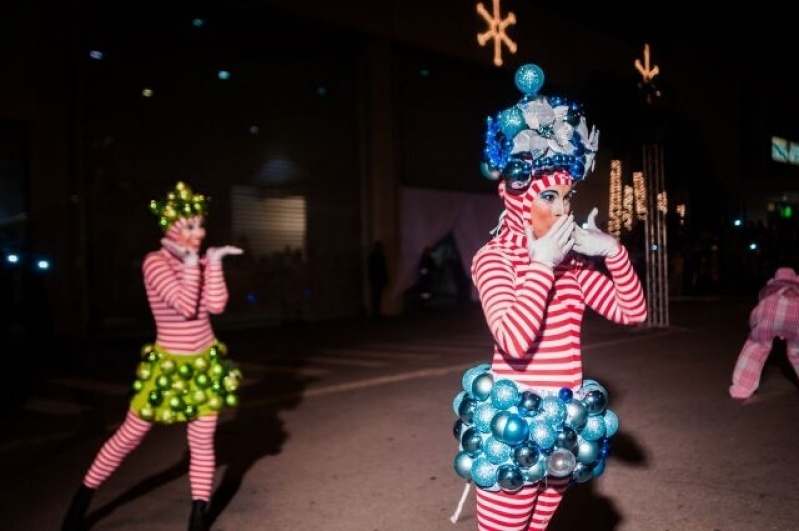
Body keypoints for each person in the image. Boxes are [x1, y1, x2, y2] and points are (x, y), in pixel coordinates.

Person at [450, 63, 647, 531]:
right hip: (510, 428)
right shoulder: (493, 259)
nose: (564, 210)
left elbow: (632, 312)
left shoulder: (573, 266)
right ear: (518, 200)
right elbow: (514, 340)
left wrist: (614, 252)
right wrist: (540, 264)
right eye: (550, 198)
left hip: (564, 424)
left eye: (568, 196)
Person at [61, 181, 244, 531]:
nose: (200, 232)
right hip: (168, 367)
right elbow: (185, 307)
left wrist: (214, 264)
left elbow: (216, 306)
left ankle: (198, 519)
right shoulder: (154, 263)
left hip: (205, 363)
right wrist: (194, 265)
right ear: (173, 227)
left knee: (202, 440)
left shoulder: (200, 261)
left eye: (201, 224)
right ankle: (81, 499)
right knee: (129, 436)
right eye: (191, 225)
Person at [728, 266, 799, 400]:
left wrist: (754, 326)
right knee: (797, 351)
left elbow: (758, 311)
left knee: (756, 347)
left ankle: (742, 388)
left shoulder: (769, 291)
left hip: (770, 312)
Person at [367, 240, 389, 317]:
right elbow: (382, 269)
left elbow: (382, 269)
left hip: (377, 279)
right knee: (376, 296)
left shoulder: (375, 257)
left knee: (377, 296)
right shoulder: (377, 257)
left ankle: (376, 311)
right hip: (377, 279)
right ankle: (376, 312)